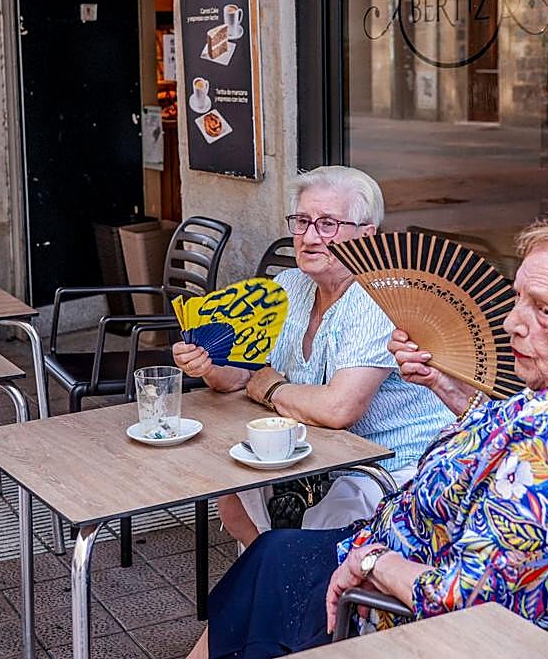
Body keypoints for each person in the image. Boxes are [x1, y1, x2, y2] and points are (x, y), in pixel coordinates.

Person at [189, 207, 548, 659]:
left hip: (402, 615)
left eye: (545, 310)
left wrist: (370, 565)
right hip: (420, 549)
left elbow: (473, 602)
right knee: (269, 558)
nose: (513, 322)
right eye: (519, 298)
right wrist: (443, 384)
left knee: (269, 572)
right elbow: (507, 435)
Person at [173, 166, 453, 546]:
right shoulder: (288, 287)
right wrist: (206, 362)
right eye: (302, 221)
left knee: (318, 524)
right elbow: (240, 374)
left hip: (390, 467)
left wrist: (271, 388)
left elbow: (339, 409)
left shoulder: (381, 297)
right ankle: (279, 585)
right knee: (232, 494)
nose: (309, 237)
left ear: (366, 235)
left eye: (328, 224)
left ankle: (289, 585)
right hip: (318, 460)